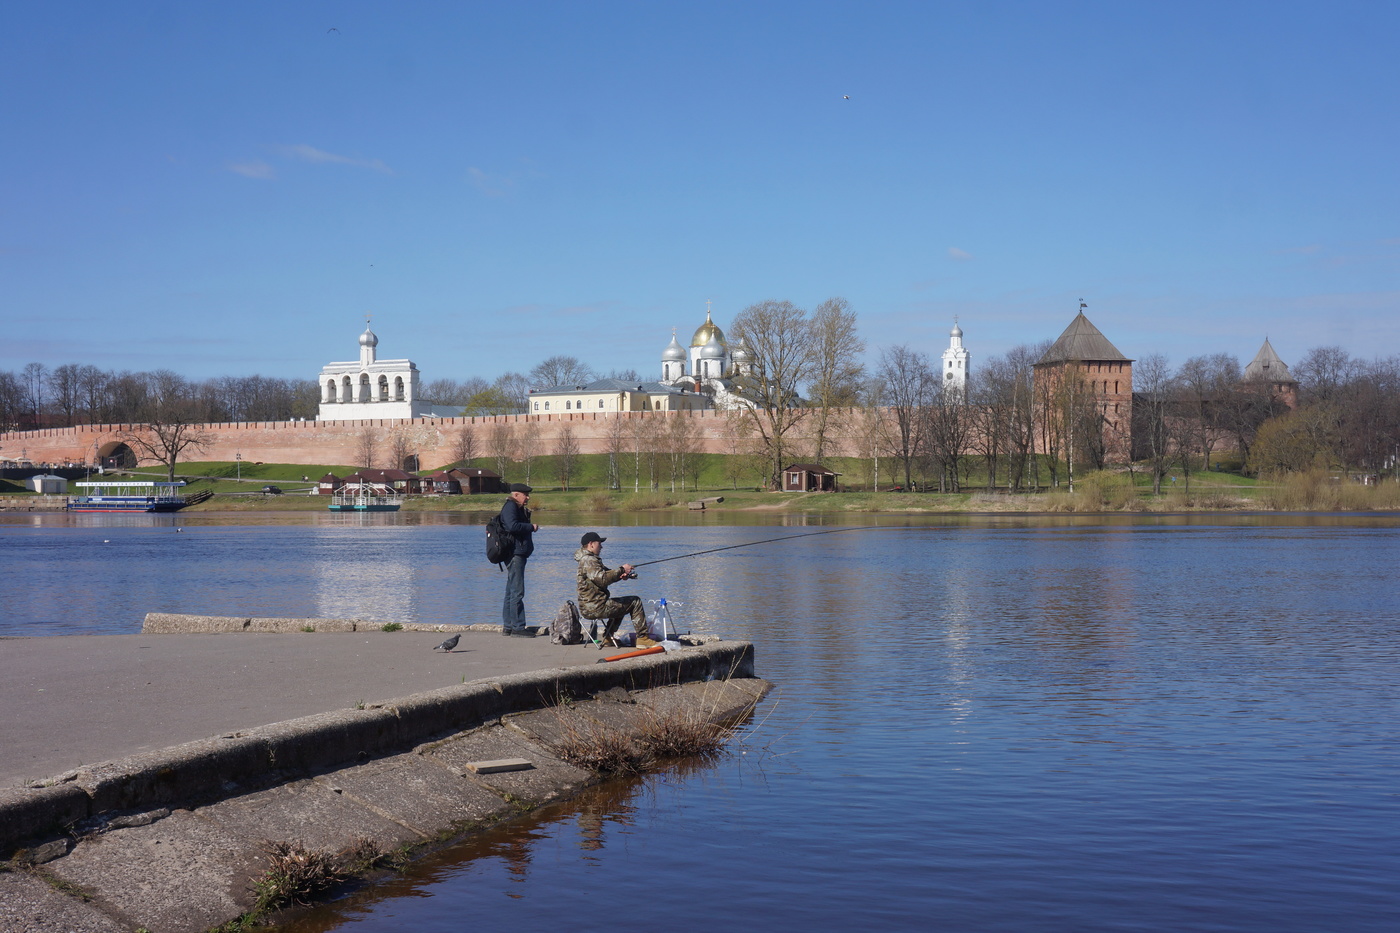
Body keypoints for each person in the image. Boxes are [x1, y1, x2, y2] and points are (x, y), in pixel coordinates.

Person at [573, 532, 653, 648]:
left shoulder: (589, 560)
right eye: (599, 543)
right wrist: (621, 569)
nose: (601, 546)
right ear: (591, 544)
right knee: (635, 601)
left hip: (591, 607)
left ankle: (608, 637)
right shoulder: (589, 560)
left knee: (620, 603)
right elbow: (603, 579)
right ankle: (643, 638)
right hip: (596, 608)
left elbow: (607, 574)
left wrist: (622, 575)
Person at [500, 483, 538, 637]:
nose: (528, 497)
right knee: (517, 591)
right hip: (515, 554)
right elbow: (512, 526)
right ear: (516, 495)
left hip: (517, 553)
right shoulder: (510, 507)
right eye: (525, 494)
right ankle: (518, 627)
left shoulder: (515, 507)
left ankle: (509, 626)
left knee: (511, 590)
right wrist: (531, 527)